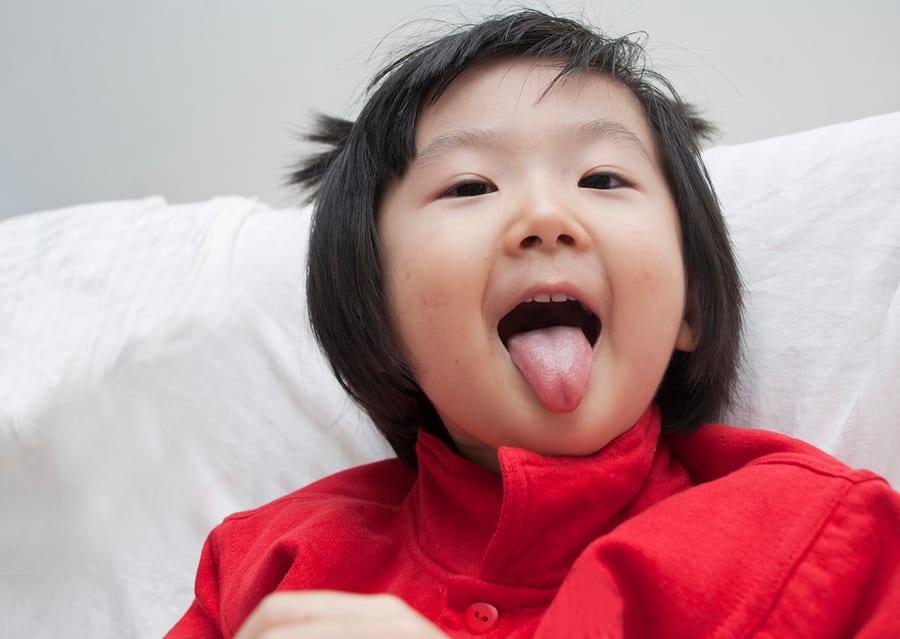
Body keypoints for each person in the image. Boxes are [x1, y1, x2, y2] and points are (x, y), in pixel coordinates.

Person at [166, 10, 900, 638]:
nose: (545, 218)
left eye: (603, 178)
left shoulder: (820, 537)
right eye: (470, 186)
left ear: (692, 306)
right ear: (377, 317)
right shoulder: (265, 569)